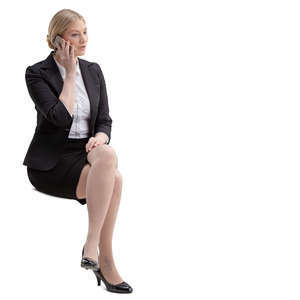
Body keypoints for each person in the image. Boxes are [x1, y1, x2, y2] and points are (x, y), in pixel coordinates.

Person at [23, 9, 133, 294]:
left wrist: (100, 136)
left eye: (85, 32)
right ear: (59, 40)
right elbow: (59, 118)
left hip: (87, 149)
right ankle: (105, 260)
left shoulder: (94, 70)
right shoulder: (36, 73)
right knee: (116, 180)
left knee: (108, 154)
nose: (83, 39)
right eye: (75, 34)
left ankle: (91, 245)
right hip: (52, 161)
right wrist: (70, 75)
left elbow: (105, 119)